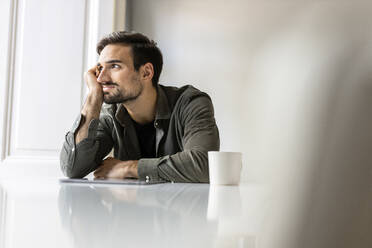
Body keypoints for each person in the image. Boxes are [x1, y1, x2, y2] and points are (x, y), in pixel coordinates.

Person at [60, 31, 219, 183]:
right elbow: (72, 168)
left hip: (182, 208)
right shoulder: (110, 114)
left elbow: (205, 165)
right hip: (129, 210)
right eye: (100, 68)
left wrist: (128, 168)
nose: (101, 78)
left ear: (146, 72)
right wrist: (93, 97)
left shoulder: (190, 103)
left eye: (114, 66)